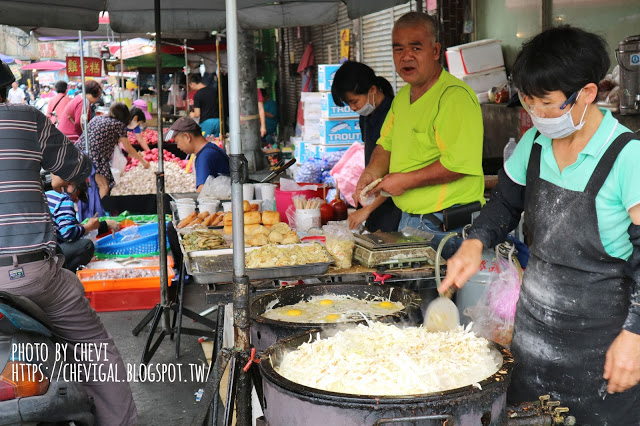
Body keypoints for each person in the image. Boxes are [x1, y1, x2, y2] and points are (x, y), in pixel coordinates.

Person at [440, 26, 640, 423]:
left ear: (586, 93)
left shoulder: (627, 157)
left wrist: (635, 336)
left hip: (603, 350)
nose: (536, 114)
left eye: (546, 103)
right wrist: (476, 241)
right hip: (533, 341)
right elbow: (504, 204)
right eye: (528, 102)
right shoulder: (534, 145)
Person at [0, 59, 137, 425]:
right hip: (29, 273)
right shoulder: (26, 118)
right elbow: (77, 167)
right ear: (6, 89)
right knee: (95, 349)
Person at [354, 12, 484, 257]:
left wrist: (404, 181)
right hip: (411, 222)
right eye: (398, 49)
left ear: (435, 51)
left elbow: (457, 165)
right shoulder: (403, 97)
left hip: (447, 228)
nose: (406, 57)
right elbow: (385, 145)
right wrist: (371, 173)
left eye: (416, 47)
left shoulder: (454, 97)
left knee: (441, 296)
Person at [331, 61, 402, 233]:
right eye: (348, 104)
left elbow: (396, 170)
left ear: (372, 90)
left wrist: (367, 209)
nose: (353, 108)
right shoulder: (367, 115)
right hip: (375, 198)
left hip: (394, 202)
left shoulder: (394, 114)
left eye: (354, 101)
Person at [75, 102, 150, 199]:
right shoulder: (119, 125)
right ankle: (99, 211)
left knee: (88, 185)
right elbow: (129, 148)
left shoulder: (98, 118)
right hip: (95, 156)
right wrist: (143, 162)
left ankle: (91, 207)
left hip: (79, 152)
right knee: (104, 187)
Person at [46, 174, 119, 271]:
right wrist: (88, 227)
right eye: (78, 195)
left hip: (42, 249)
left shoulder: (48, 194)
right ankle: (68, 274)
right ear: (71, 186)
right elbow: (68, 233)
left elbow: (66, 227)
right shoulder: (64, 199)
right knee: (87, 245)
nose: (77, 200)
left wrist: (97, 226)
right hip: (50, 252)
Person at [167, 117, 230, 192]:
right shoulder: (210, 149)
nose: (178, 146)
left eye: (177, 142)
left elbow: (202, 192)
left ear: (187, 137)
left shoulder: (205, 157)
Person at [189, 73, 220, 137]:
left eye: (190, 85)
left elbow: (197, 114)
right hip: (218, 121)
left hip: (206, 122)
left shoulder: (197, 95)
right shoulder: (214, 91)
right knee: (217, 143)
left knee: (205, 143)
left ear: (193, 84)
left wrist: (192, 114)